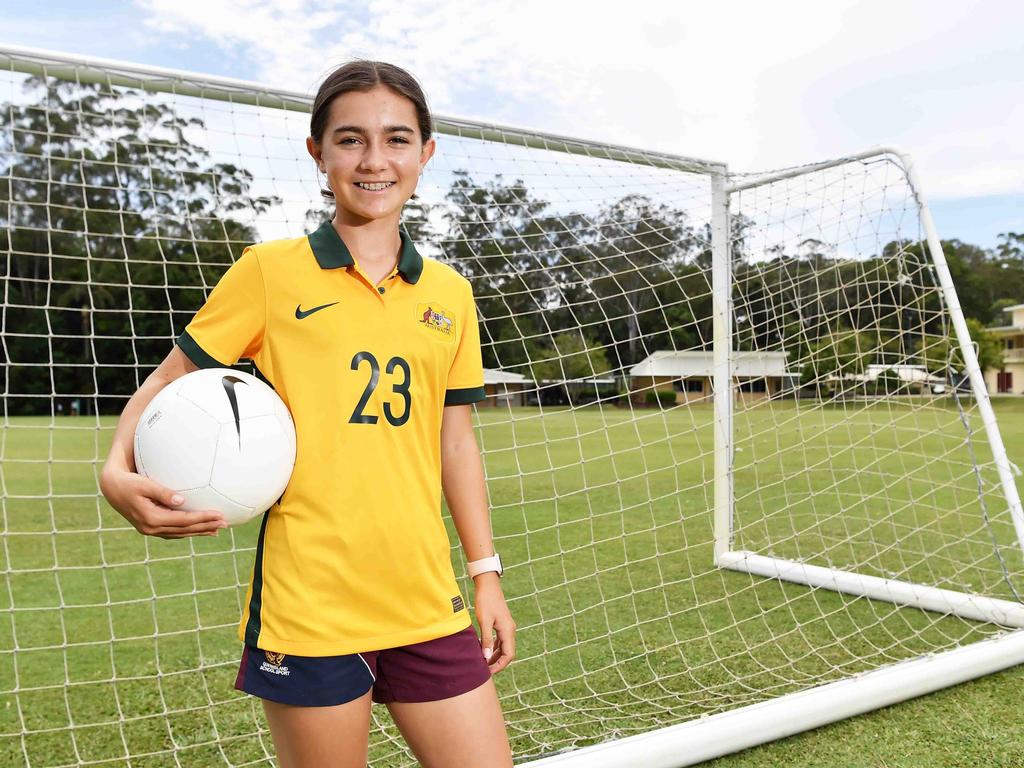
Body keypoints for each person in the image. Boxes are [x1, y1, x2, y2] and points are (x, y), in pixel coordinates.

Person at [99, 59, 515, 768]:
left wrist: (486, 573)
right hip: (309, 604)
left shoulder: (451, 294)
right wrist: (114, 470)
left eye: (397, 139)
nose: (375, 160)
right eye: (350, 140)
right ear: (318, 153)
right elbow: (167, 383)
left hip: (424, 597)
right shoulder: (270, 271)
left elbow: (455, 444)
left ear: (426, 153)